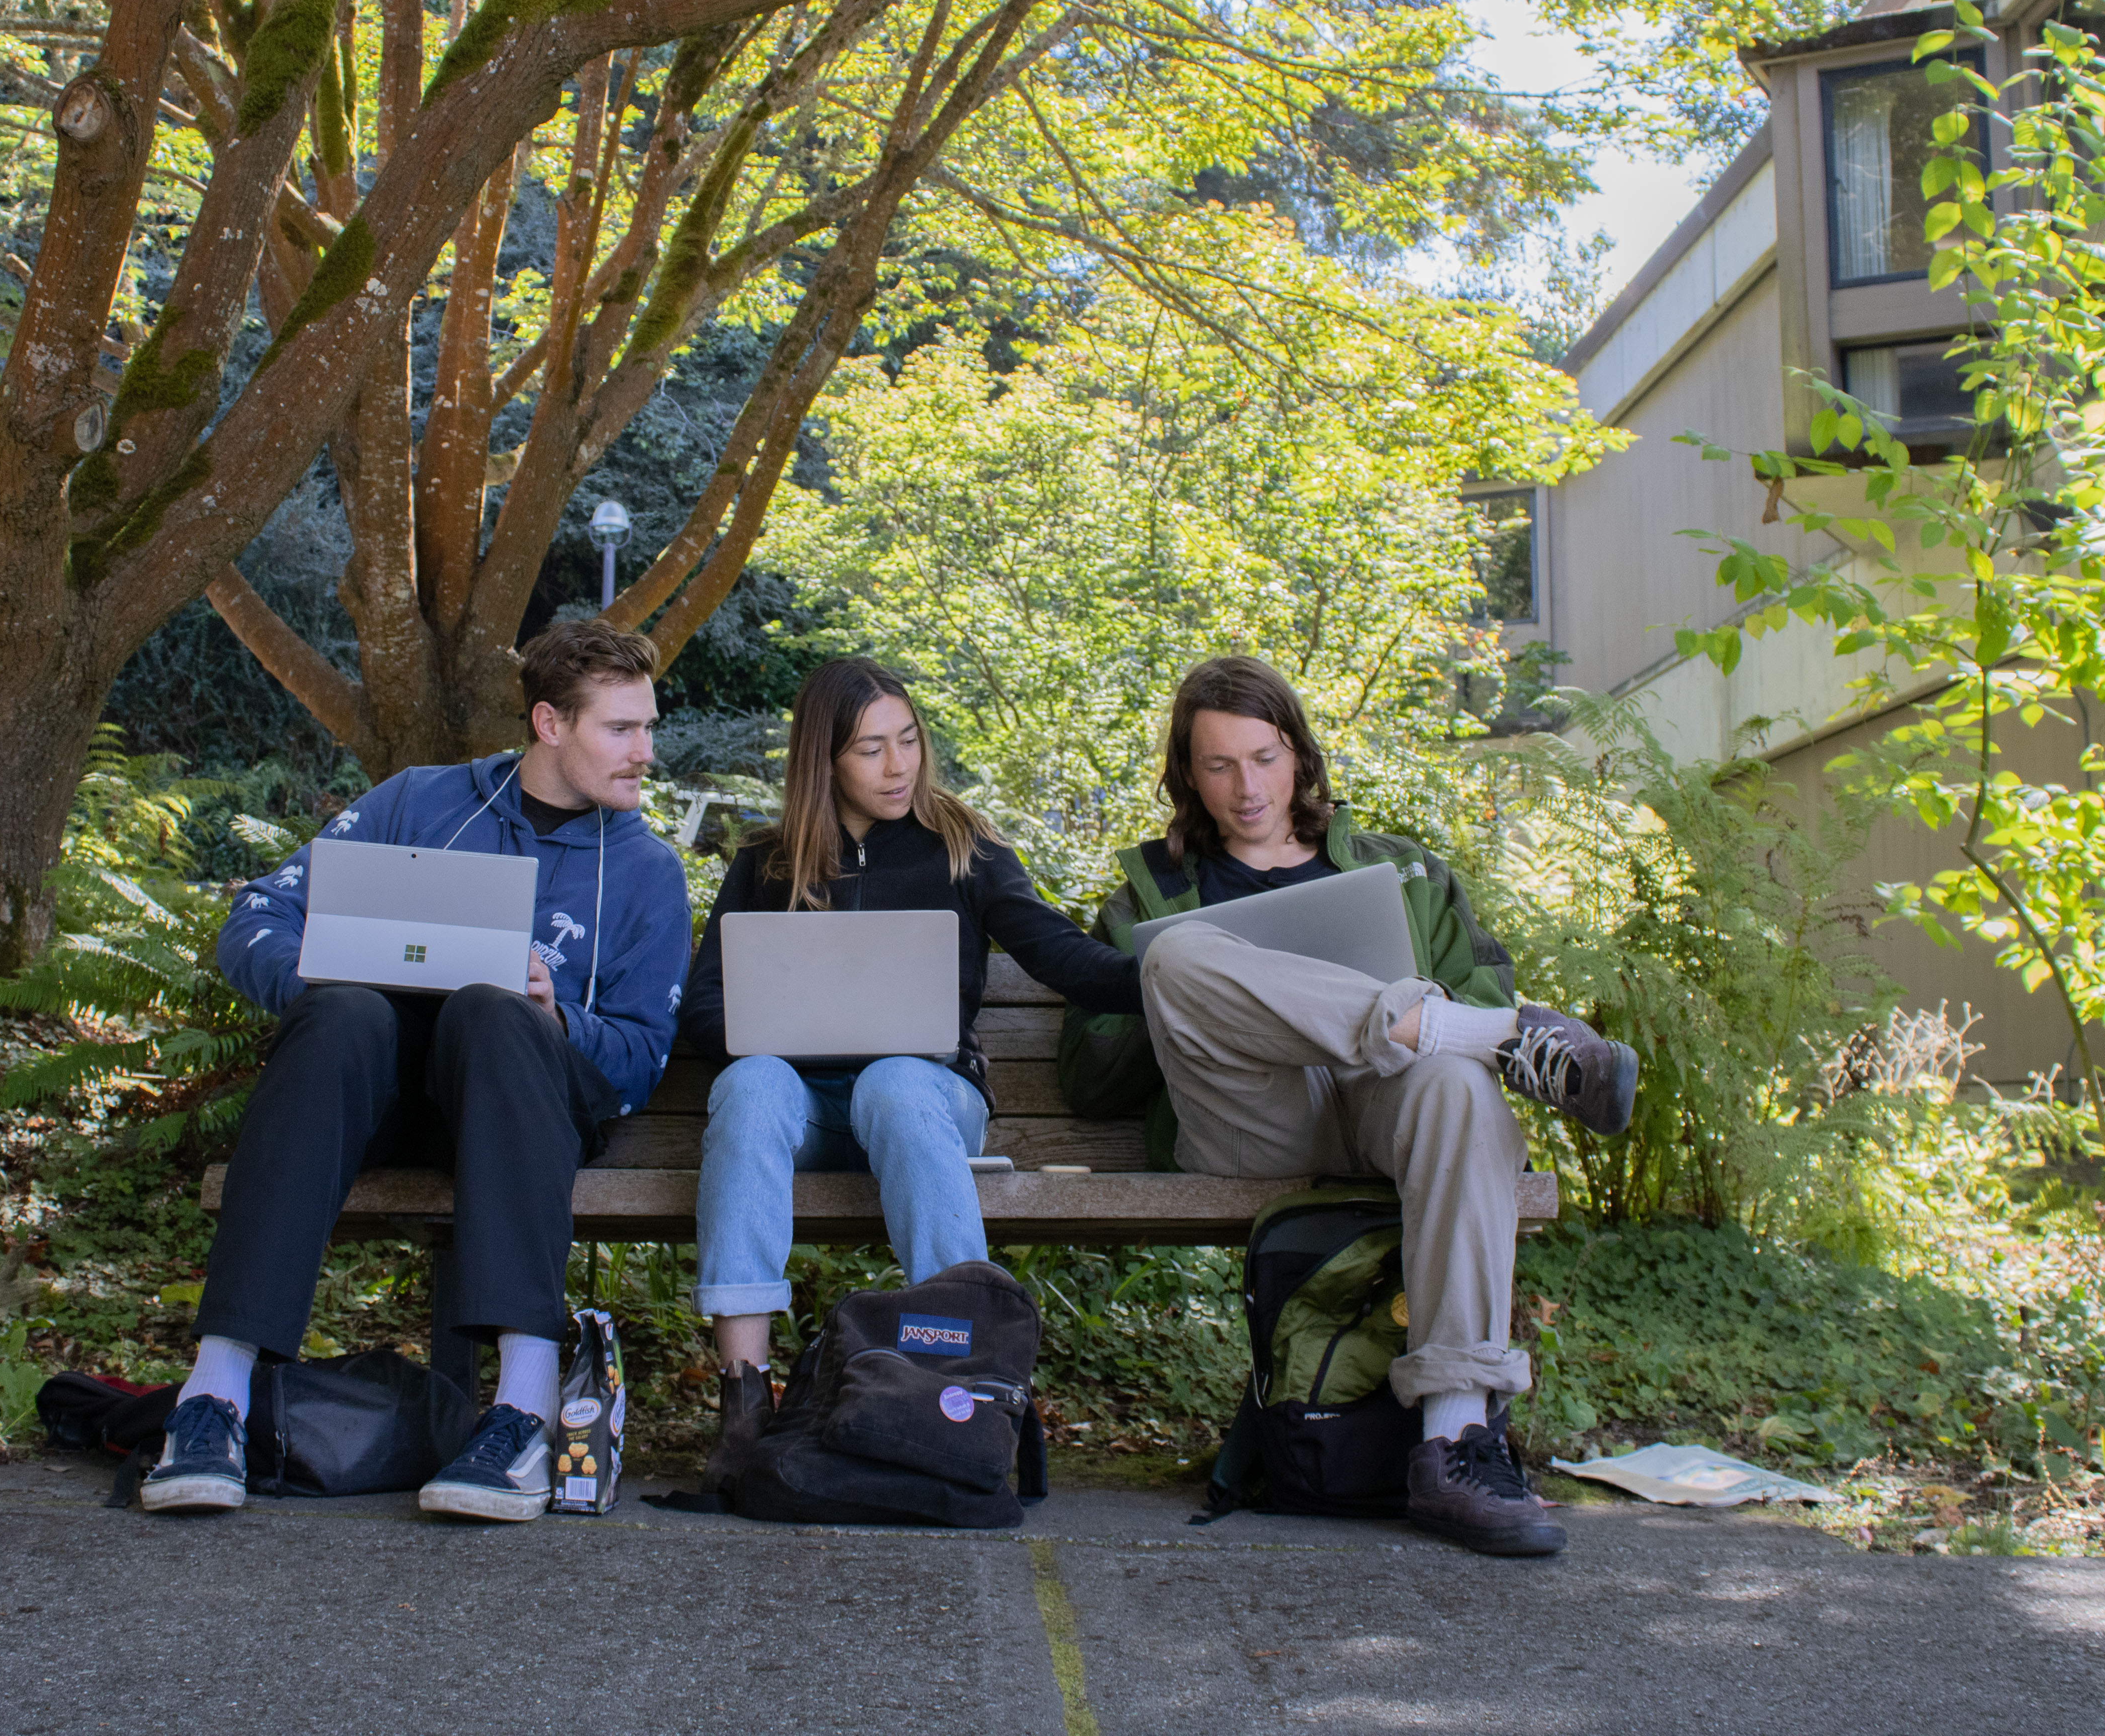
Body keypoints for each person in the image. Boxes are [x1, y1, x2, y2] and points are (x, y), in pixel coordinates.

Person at [1058, 656, 1636, 1557]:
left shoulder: (1402, 872)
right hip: (1253, 1121)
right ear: (1187, 776)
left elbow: (1481, 980)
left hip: (1383, 1106)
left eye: (1263, 758)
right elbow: (1085, 1081)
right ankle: (1456, 1030)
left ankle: (1453, 1440)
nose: (1246, 788)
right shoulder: (1151, 891)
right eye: (1218, 766)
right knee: (1177, 960)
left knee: (1454, 1078)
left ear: (1299, 755)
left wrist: (1394, 1031)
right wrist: (1179, 993)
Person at [140, 618, 693, 1522]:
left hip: (527, 1105)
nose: (647, 753)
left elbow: (637, 1063)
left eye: (649, 727)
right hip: (388, 1098)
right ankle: (215, 1397)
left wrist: (562, 1017)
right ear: (549, 724)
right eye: (622, 730)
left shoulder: (646, 872)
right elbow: (255, 923)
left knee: (492, 1007)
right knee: (344, 1009)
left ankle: (524, 1405)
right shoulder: (422, 804)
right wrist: (320, 969)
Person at [678, 658, 1142, 1490]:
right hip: (806, 1113)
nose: (899, 767)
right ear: (824, 762)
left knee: (892, 1078)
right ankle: (743, 1400)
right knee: (752, 1086)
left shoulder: (965, 846)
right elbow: (708, 1010)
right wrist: (789, 1033)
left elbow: (1059, 954)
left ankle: (966, 1383)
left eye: (909, 741)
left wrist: (1164, 977)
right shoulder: (770, 862)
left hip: (923, 1099)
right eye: (870, 750)